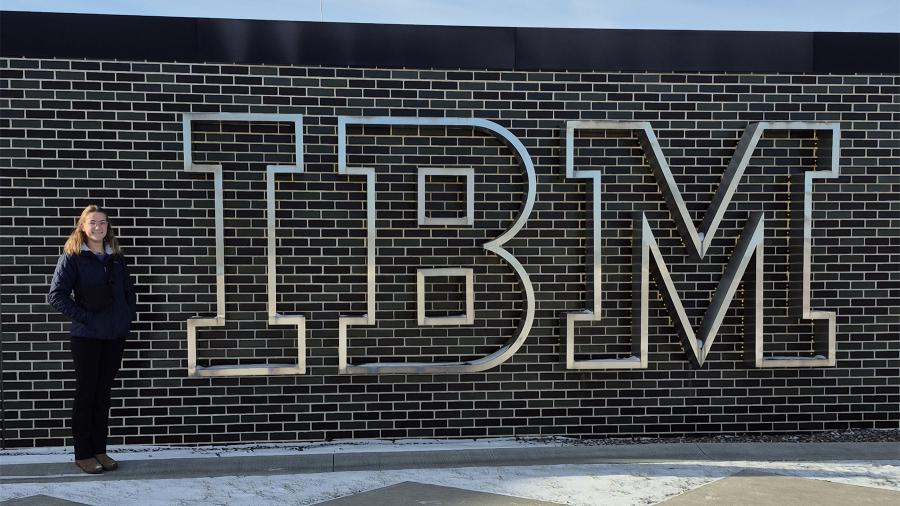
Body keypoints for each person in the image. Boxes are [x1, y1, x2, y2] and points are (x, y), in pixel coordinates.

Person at [48, 204, 137, 474]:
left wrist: (126, 317)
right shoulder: (73, 256)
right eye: (93, 223)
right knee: (86, 394)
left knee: (103, 395)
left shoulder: (116, 258)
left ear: (107, 228)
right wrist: (85, 317)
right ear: (83, 227)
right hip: (86, 338)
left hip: (113, 337)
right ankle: (83, 453)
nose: (98, 227)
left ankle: (100, 449)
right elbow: (56, 296)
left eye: (103, 223)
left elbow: (127, 292)